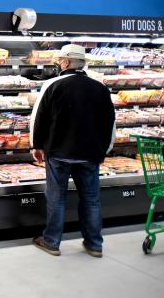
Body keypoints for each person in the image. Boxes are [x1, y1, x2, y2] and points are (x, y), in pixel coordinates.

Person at [30, 44, 115, 258]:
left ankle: (51, 242)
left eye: (60, 61)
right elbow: (110, 122)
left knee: (57, 198)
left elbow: (38, 119)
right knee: (91, 199)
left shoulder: (53, 84)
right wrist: (105, 149)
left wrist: (36, 146)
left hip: (59, 152)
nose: (59, 64)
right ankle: (94, 244)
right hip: (90, 153)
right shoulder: (100, 87)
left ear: (66, 62)